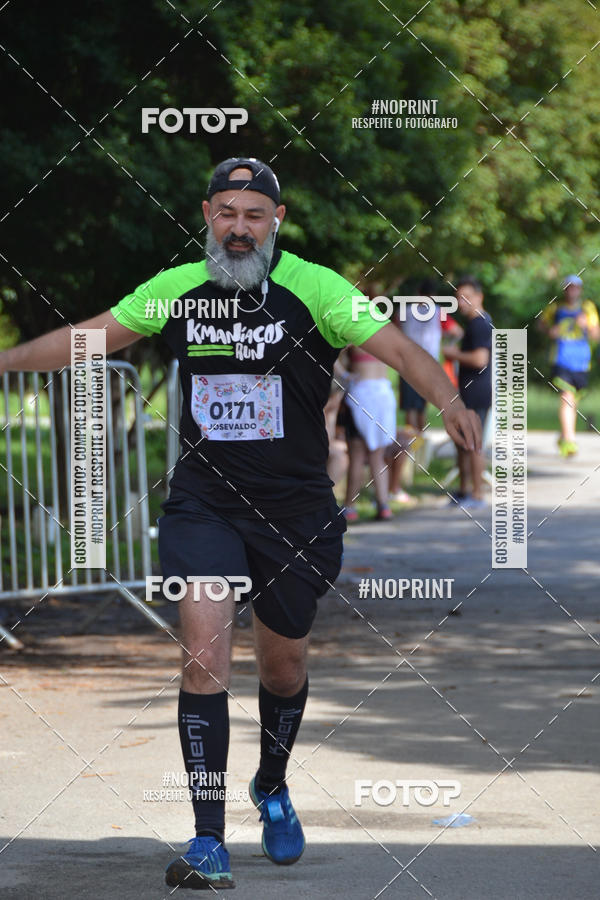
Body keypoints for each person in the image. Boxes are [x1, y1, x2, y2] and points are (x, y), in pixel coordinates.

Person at [0, 156, 481, 891]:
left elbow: (402, 350)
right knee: (203, 654)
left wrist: (448, 402)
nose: (239, 227)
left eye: (254, 215)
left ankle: (272, 782)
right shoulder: (179, 289)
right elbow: (88, 339)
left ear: (276, 221)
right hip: (204, 503)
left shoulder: (316, 287)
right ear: (206, 214)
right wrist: (4, 362)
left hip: (296, 510)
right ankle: (207, 838)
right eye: (227, 212)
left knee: (284, 664)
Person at [442, 275, 492, 509]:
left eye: (466, 298)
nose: (461, 303)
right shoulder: (473, 324)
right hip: (467, 392)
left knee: (473, 443)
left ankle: (477, 495)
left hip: (478, 393)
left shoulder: (481, 323)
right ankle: (463, 491)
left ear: (479, 297)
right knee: (462, 442)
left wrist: (453, 354)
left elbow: (481, 359)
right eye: (458, 299)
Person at [538, 274, 600, 457]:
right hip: (561, 360)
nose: (572, 290)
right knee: (567, 397)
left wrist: (586, 326)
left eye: (575, 287)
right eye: (569, 287)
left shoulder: (587, 308)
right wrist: (551, 331)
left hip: (581, 362)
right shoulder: (555, 308)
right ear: (564, 289)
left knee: (572, 401)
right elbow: (540, 326)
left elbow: (596, 335)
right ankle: (570, 442)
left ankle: (565, 435)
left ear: (580, 289)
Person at [397, 278, 443, 432]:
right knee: (422, 406)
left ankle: (412, 446)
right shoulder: (438, 312)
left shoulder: (404, 311)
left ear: (418, 293)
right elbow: (457, 331)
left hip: (407, 362)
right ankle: (420, 442)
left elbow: (393, 330)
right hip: (429, 364)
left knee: (410, 406)